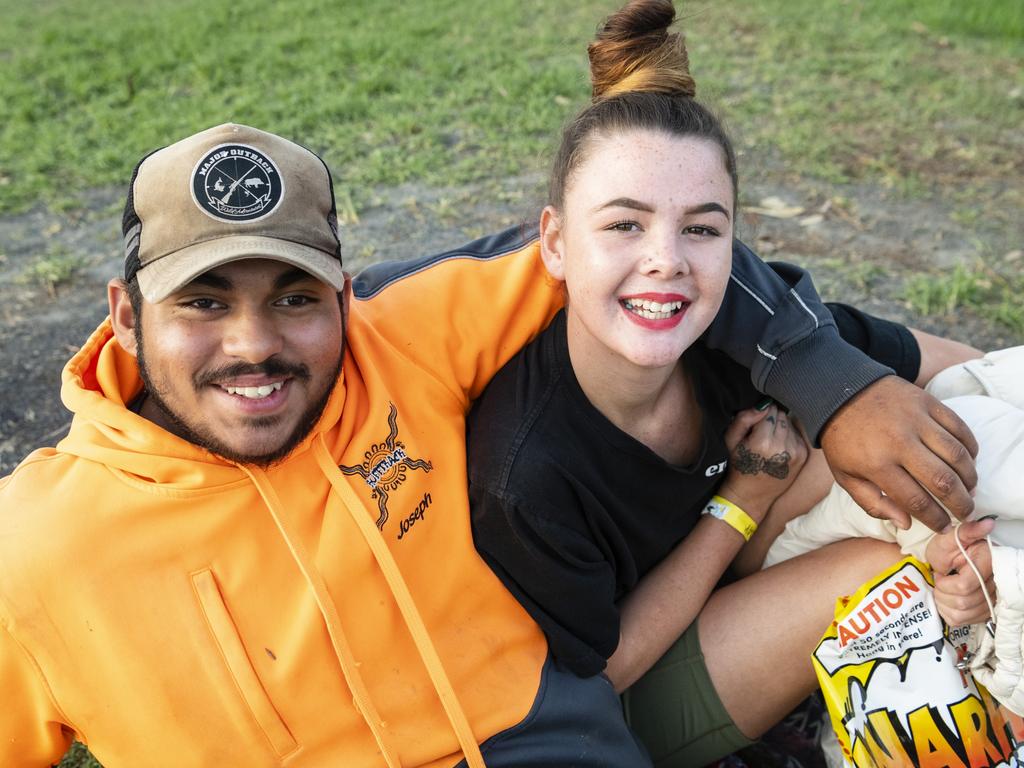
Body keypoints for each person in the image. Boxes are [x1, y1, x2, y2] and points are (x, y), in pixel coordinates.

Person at [0, 117, 980, 768]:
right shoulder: (40, 547)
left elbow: (643, 240)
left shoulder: (402, 335)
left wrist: (837, 387)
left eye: (295, 299)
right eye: (202, 304)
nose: (254, 345)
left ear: (346, 298)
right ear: (125, 316)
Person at [467, 1, 991, 765]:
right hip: (618, 700)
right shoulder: (525, 468)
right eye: (624, 224)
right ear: (553, 241)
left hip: (723, 587)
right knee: (876, 571)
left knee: (894, 440)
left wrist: (992, 386)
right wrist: (739, 503)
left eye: (702, 228)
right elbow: (595, 674)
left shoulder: (745, 330)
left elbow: (927, 362)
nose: (667, 260)